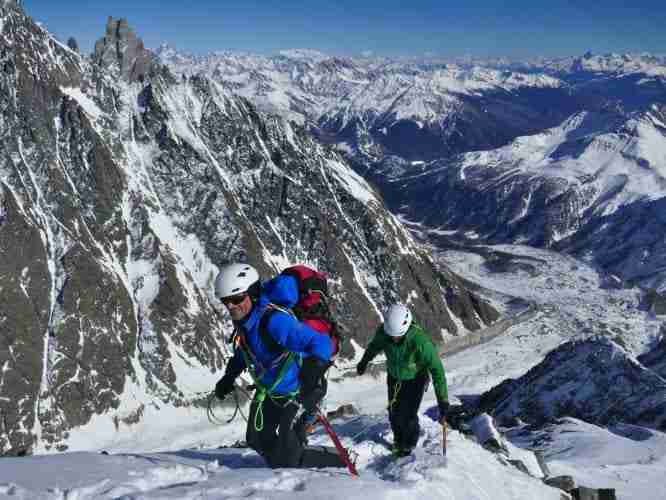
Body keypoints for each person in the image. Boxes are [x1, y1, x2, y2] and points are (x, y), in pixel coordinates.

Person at [213, 263, 345, 469]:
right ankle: (283, 463)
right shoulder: (246, 324)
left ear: (253, 293)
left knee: (289, 455)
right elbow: (246, 352)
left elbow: (321, 343)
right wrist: (228, 377)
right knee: (256, 440)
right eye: (225, 301)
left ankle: (338, 463)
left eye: (237, 299)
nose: (230, 306)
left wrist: (311, 375)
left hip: (298, 393)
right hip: (273, 392)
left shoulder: (274, 322)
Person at [356, 303, 449, 457]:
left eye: (398, 336)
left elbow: (437, 370)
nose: (394, 338)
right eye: (392, 336)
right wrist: (364, 361)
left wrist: (443, 400)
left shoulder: (421, 342)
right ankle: (398, 440)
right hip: (394, 377)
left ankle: (408, 445)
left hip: (415, 379)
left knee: (408, 415)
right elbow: (374, 346)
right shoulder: (384, 332)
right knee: (394, 412)